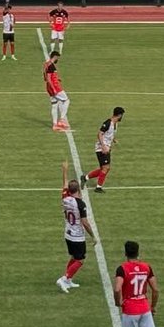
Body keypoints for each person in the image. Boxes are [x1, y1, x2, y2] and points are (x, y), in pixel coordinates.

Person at [115, 241, 162, 327]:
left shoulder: (122, 269)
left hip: (130, 308)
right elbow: (155, 289)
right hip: (144, 307)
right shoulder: (147, 267)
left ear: (125, 253)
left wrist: (118, 303)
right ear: (138, 252)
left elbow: (117, 289)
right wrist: (153, 306)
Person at [55, 162, 96, 292]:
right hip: (77, 235)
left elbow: (64, 185)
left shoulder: (65, 198)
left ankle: (68, 280)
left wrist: (64, 171)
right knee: (80, 259)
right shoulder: (80, 204)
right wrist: (93, 236)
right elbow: (85, 222)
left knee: (73, 257)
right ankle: (64, 278)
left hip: (67, 233)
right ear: (78, 189)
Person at [86, 107, 125, 193]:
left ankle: (86, 178)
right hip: (102, 148)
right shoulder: (108, 123)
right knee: (106, 168)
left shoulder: (115, 124)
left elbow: (109, 134)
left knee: (104, 168)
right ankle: (98, 187)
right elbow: (99, 134)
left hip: (106, 147)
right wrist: (103, 146)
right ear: (119, 115)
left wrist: (113, 139)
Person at [43, 50, 71, 131]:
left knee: (54, 105)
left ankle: (55, 125)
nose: (57, 60)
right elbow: (48, 78)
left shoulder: (46, 64)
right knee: (67, 101)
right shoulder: (51, 66)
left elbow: (47, 76)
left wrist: (57, 78)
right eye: (57, 58)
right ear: (54, 57)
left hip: (49, 87)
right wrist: (54, 88)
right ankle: (61, 120)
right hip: (55, 87)